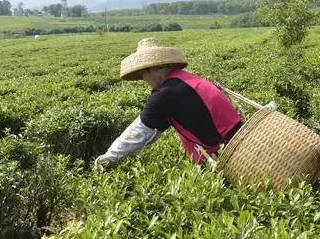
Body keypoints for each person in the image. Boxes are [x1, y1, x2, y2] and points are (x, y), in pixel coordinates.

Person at [94, 38, 243, 168]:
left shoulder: (165, 95)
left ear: (153, 68)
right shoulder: (189, 79)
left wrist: (108, 159)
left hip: (226, 156)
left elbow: (137, 133)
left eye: (143, 74)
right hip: (243, 141)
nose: (144, 80)